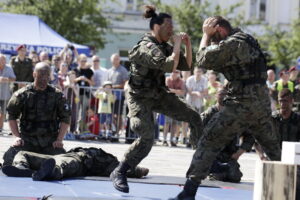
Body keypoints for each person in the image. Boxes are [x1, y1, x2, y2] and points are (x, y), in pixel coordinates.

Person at [170, 16, 281, 200]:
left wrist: (205, 36)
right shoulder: (247, 39)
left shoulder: (233, 43)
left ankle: (188, 193)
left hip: (241, 105)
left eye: (214, 37)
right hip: (260, 105)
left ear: (220, 30)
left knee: (208, 142)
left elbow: (203, 59)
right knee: (274, 150)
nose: (213, 42)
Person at [110, 5, 202, 194]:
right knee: (147, 136)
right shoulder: (146, 47)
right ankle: (121, 170)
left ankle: (204, 163)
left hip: (158, 93)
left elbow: (187, 65)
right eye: (168, 25)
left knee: (194, 116)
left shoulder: (164, 45)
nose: (172, 29)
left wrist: (186, 44)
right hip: (139, 97)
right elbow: (168, 65)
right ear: (156, 26)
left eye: (172, 25)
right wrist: (176, 45)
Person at [2, 62, 71, 167]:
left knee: (65, 162)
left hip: (49, 142)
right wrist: (16, 137)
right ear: (34, 74)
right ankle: (23, 166)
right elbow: (11, 115)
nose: (44, 79)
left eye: (47, 76)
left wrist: (59, 139)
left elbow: (66, 118)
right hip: (27, 141)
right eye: (41, 75)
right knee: (9, 158)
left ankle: (41, 166)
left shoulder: (57, 95)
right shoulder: (22, 94)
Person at [2, 147, 149, 181]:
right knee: (23, 153)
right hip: (63, 155)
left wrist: (141, 170)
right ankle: (22, 168)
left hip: (79, 163)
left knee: (60, 164)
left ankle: (51, 173)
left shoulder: (111, 163)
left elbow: (130, 170)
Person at [201, 89, 254, 183]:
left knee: (234, 177)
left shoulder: (236, 116)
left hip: (229, 156)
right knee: (218, 175)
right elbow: (196, 136)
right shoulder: (208, 115)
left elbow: (250, 136)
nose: (223, 97)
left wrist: (238, 153)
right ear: (216, 96)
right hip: (211, 156)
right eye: (221, 94)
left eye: (226, 95)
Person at [107, 53, 129, 137]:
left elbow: (125, 83)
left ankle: (118, 132)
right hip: (110, 96)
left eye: (117, 59)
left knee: (118, 114)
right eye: (114, 59)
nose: (115, 60)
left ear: (119, 60)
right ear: (111, 60)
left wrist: (114, 87)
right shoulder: (109, 71)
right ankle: (111, 131)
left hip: (119, 95)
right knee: (111, 114)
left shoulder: (123, 70)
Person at [0, 54, 16, 132]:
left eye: (3, 60)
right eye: (1, 60)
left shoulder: (9, 68)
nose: (2, 61)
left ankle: (0, 127)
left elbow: (14, 78)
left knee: (3, 112)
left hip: (5, 94)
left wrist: (7, 79)